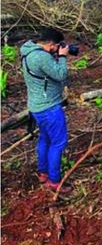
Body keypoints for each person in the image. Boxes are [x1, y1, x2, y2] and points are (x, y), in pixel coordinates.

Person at [20, 28, 73, 193]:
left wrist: (55, 55)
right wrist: (63, 56)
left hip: (36, 107)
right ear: (50, 44)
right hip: (49, 107)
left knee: (45, 139)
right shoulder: (41, 57)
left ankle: (43, 173)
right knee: (58, 143)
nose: (57, 49)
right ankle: (54, 181)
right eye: (56, 46)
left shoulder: (28, 51)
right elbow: (61, 74)